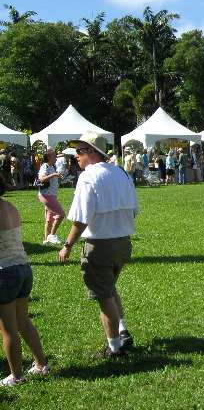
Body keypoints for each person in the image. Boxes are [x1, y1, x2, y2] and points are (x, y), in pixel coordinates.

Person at [58, 131, 140, 359]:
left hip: (100, 245)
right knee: (110, 288)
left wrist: (67, 244)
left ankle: (115, 348)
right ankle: (122, 331)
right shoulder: (121, 173)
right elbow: (134, 211)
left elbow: (82, 218)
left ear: (92, 152)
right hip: (123, 243)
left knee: (104, 296)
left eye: (80, 151)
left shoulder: (88, 176)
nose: (76, 156)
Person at [0, 174, 50, 387]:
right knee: (23, 321)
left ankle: (17, 376)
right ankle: (40, 365)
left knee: (8, 328)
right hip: (23, 268)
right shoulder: (10, 206)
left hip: (4, 272)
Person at [38, 150, 66, 245]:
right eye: (54, 156)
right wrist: (54, 174)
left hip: (51, 194)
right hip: (46, 195)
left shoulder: (51, 167)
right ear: (49, 157)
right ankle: (52, 235)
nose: (56, 158)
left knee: (49, 219)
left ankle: (46, 239)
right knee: (61, 214)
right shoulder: (45, 166)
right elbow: (41, 179)